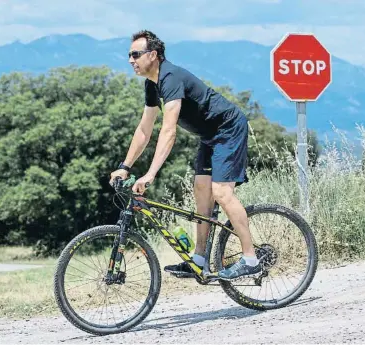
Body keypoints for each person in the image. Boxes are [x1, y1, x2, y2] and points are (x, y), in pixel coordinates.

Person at [108, 29, 261, 280]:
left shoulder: (170, 77)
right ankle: (199, 259)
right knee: (201, 190)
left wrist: (150, 174)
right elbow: (144, 130)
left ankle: (250, 258)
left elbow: (168, 131)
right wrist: (125, 165)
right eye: (129, 55)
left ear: (153, 55)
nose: (130, 60)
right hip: (210, 136)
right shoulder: (152, 84)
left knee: (221, 192)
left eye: (135, 54)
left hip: (229, 128)